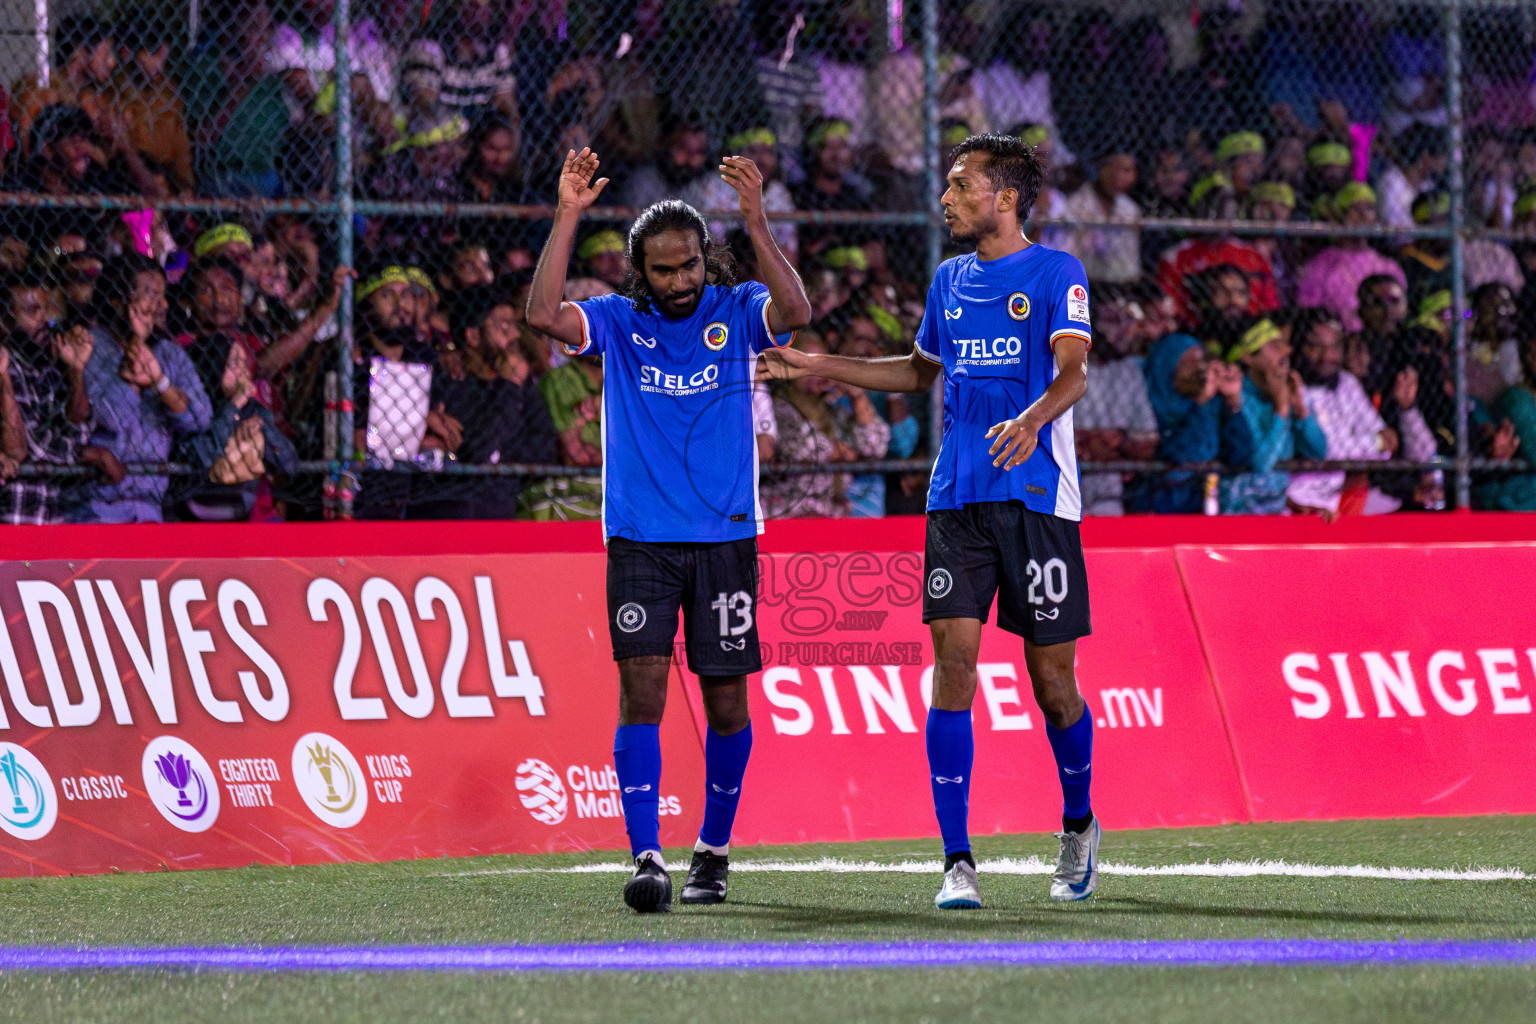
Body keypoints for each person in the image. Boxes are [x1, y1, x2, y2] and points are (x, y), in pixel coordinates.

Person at [762, 133, 1102, 906]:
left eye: (960, 185)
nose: (945, 198)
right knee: (953, 665)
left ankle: (1078, 821)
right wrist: (814, 364)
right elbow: (919, 373)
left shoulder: (1057, 273)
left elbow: (1075, 369)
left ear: (1004, 198)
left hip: (1038, 497)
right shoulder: (948, 279)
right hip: (955, 499)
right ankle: (958, 860)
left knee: (1053, 684)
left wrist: (1033, 419)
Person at [526, 148, 811, 912]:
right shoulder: (618, 325)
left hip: (725, 539)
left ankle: (713, 852)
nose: (680, 281)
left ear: (704, 260)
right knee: (642, 693)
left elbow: (799, 315)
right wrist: (567, 215)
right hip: (641, 541)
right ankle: (648, 855)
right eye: (664, 271)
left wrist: (755, 220)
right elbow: (542, 316)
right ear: (638, 273)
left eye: (689, 266)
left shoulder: (735, 307)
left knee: (727, 706)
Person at [80, 255, 212, 522]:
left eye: (163, 296)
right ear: (117, 299)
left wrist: (160, 382)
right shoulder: (90, 346)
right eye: (150, 294)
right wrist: (134, 350)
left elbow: (201, 417)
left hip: (150, 507)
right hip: (98, 508)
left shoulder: (169, 354)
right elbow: (114, 418)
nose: (162, 305)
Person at [1219, 317, 1327, 515]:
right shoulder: (1236, 397)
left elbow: (1318, 452)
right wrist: (1280, 411)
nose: (1287, 351)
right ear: (1249, 358)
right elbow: (1262, 466)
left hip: (1275, 510)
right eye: (1275, 346)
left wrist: (1302, 412)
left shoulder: (1288, 389)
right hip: (1241, 512)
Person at [1142, 331, 1254, 514]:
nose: (1199, 369)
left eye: (1201, 362)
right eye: (1188, 363)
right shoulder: (1149, 404)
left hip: (1204, 506)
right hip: (1158, 505)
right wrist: (1201, 403)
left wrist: (1233, 401)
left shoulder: (1210, 404)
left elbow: (1241, 456)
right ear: (1167, 365)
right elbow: (1182, 459)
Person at [1297, 183, 1408, 332]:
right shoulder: (1321, 265)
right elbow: (1308, 312)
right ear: (1339, 215)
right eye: (1355, 209)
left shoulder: (1388, 266)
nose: (1363, 215)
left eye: (1368, 208)